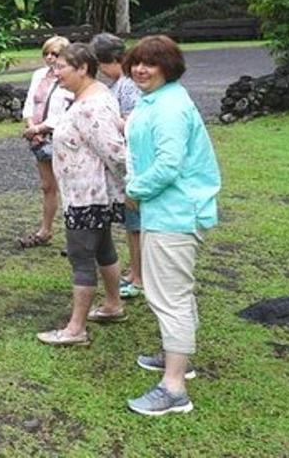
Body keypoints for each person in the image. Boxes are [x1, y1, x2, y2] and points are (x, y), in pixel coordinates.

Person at [122, 35, 220, 417]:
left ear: (169, 68)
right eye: (136, 63)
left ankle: (174, 387)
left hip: (175, 212)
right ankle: (175, 356)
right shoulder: (159, 100)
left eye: (151, 64)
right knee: (175, 289)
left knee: (170, 296)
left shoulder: (170, 108)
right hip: (165, 210)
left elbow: (168, 165)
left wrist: (134, 188)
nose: (140, 70)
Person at [36, 43, 129, 347]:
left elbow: (115, 152)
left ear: (82, 69)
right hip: (85, 191)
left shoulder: (93, 105)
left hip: (88, 193)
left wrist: (131, 188)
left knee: (81, 257)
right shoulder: (86, 98)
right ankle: (113, 304)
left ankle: (75, 329)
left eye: (61, 67)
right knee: (102, 248)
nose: (56, 72)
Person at [91, 32, 144, 299]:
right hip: (125, 164)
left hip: (131, 161)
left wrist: (106, 123)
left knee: (136, 226)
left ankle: (139, 276)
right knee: (131, 225)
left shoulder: (128, 85)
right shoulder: (119, 84)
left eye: (100, 65)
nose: (100, 71)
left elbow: (133, 123)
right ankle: (135, 271)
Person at [18, 36, 75, 248]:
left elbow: (66, 112)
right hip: (39, 138)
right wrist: (31, 125)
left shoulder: (69, 79)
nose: (50, 58)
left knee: (69, 185)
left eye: (55, 54)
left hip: (59, 136)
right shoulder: (39, 75)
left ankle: (74, 235)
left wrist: (40, 128)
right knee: (47, 185)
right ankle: (45, 230)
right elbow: (30, 102)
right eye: (47, 53)